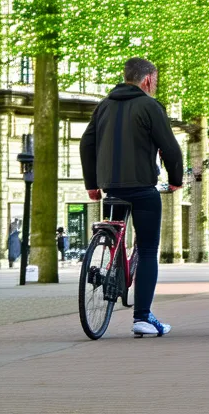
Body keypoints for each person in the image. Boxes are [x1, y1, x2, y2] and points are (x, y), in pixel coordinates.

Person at [80, 57, 183, 337]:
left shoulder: (103, 106)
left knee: (116, 237)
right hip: (142, 189)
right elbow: (170, 149)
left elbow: (86, 143)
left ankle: (112, 266)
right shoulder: (150, 106)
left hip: (111, 189)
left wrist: (92, 184)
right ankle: (142, 317)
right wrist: (175, 180)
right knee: (148, 249)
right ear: (147, 79)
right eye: (156, 80)